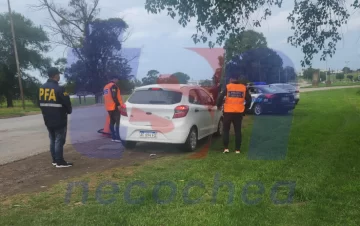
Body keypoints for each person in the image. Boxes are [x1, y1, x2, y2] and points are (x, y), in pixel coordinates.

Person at [38, 67, 73, 167]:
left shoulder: (41, 88)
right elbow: (66, 102)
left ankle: (54, 160)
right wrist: (69, 110)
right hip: (59, 118)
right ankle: (59, 161)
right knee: (59, 139)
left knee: (52, 139)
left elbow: (39, 103)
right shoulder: (60, 88)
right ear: (55, 75)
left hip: (47, 118)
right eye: (58, 74)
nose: (59, 76)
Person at [216, 75, 252, 154]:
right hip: (238, 113)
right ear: (238, 79)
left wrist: (218, 105)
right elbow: (249, 100)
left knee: (226, 130)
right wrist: (245, 109)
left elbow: (220, 97)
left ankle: (226, 149)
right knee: (238, 131)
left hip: (228, 112)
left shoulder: (228, 87)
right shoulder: (243, 88)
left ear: (231, 79)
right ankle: (237, 150)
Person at [103, 76, 124, 142]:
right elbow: (114, 96)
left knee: (112, 122)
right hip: (114, 106)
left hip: (108, 107)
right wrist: (118, 105)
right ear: (114, 79)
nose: (118, 81)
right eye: (117, 79)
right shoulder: (113, 86)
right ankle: (118, 137)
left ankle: (113, 137)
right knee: (117, 122)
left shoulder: (106, 86)